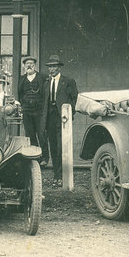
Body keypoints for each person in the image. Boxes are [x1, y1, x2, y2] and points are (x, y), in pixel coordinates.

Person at [44, 54, 79, 182]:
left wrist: (70, 113)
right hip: (50, 118)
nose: (51, 69)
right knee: (53, 146)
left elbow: (75, 99)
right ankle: (56, 175)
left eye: (54, 67)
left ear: (59, 68)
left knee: (61, 147)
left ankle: (64, 176)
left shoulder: (68, 81)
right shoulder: (47, 82)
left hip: (62, 117)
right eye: (49, 67)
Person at [16, 56, 49, 162]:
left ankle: (45, 158)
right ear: (24, 66)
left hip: (39, 111)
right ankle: (36, 158)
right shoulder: (22, 78)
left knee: (41, 134)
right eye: (27, 64)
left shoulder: (42, 77)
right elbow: (20, 94)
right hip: (27, 111)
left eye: (31, 64)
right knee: (30, 135)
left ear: (35, 65)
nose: (29, 66)